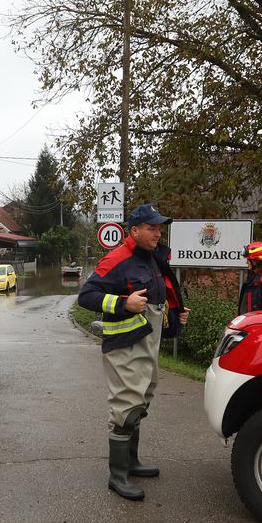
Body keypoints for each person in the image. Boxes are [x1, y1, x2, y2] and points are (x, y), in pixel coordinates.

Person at [78, 204, 189, 501]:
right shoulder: (117, 259)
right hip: (124, 345)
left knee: (141, 401)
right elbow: (86, 296)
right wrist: (122, 303)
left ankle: (132, 462)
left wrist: (175, 315)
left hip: (146, 341)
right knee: (126, 407)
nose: (158, 232)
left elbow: (157, 298)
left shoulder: (152, 258)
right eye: (151, 228)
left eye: (159, 227)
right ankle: (118, 476)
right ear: (134, 230)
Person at [237, 241, 262, 314]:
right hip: (249, 320)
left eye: (248, 260)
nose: (246, 263)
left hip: (259, 322)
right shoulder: (253, 276)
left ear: (255, 262)